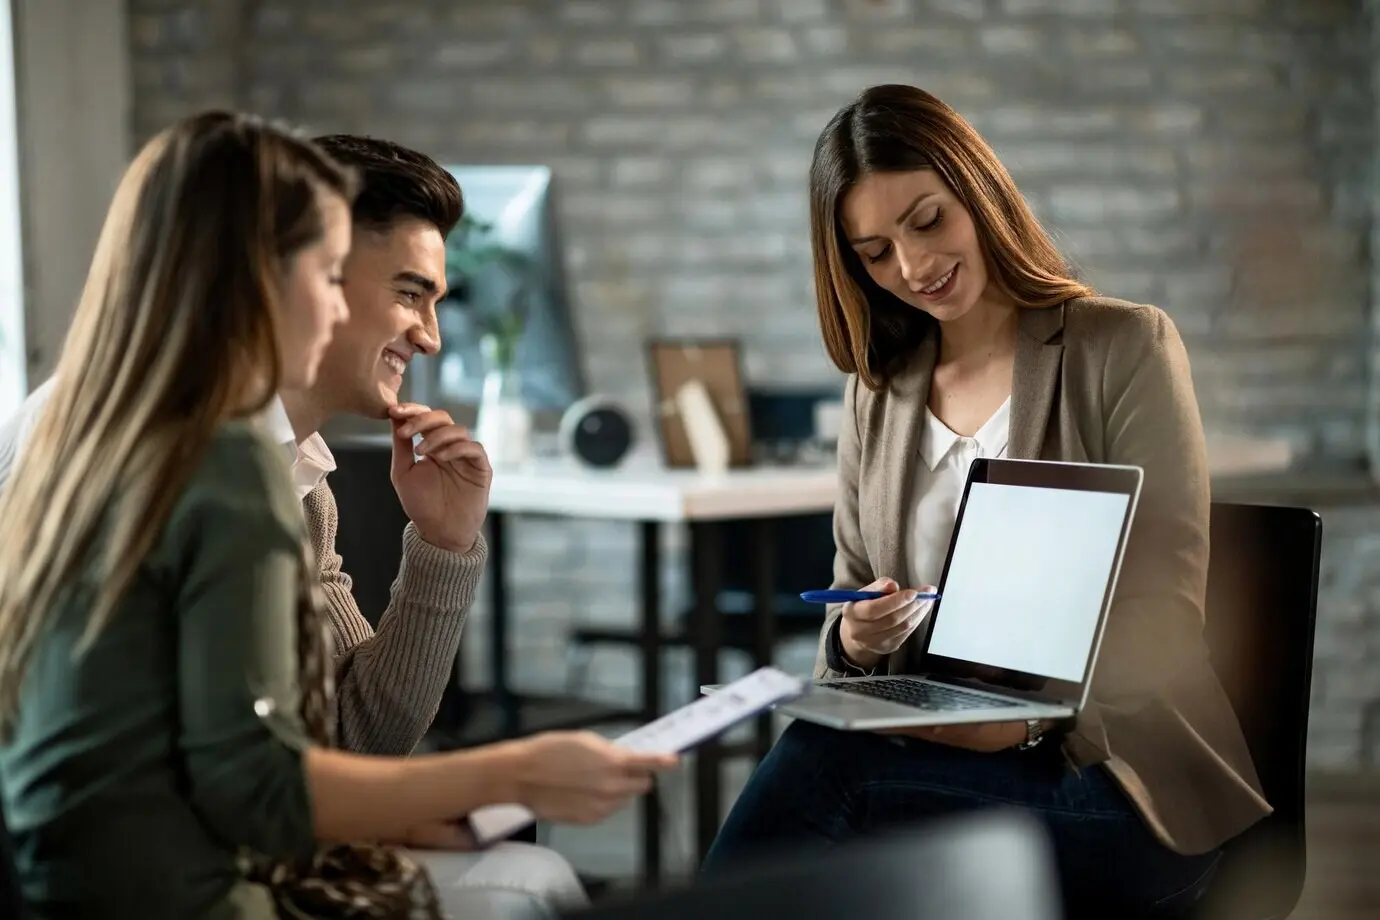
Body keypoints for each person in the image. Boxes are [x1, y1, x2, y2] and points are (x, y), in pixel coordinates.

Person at [0, 111, 675, 920]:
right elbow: (257, 782)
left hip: (108, 873)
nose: (428, 338)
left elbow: (344, 735)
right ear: (258, 275)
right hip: (183, 889)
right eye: (327, 275)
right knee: (526, 880)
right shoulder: (219, 459)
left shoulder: (270, 459)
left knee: (515, 861)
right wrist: (512, 772)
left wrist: (443, 545)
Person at [700, 85, 1271, 919]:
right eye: (875, 252)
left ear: (977, 190)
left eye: (927, 221)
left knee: (825, 774)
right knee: (827, 773)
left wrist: (1028, 725)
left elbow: (1167, 616)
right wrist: (858, 638)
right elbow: (848, 606)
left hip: (1116, 777)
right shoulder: (879, 393)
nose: (913, 267)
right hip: (942, 759)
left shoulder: (1123, 346)